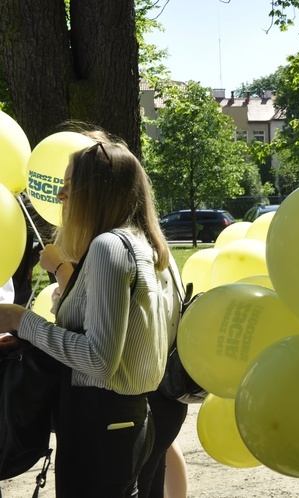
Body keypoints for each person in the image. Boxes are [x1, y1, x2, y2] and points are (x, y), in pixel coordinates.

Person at [0, 136, 171, 497]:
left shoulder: (109, 246)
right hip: (124, 420)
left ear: (95, 191)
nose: (61, 197)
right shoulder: (142, 243)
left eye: (68, 186)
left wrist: (21, 320)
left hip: (101, 423)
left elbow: (98, 359)